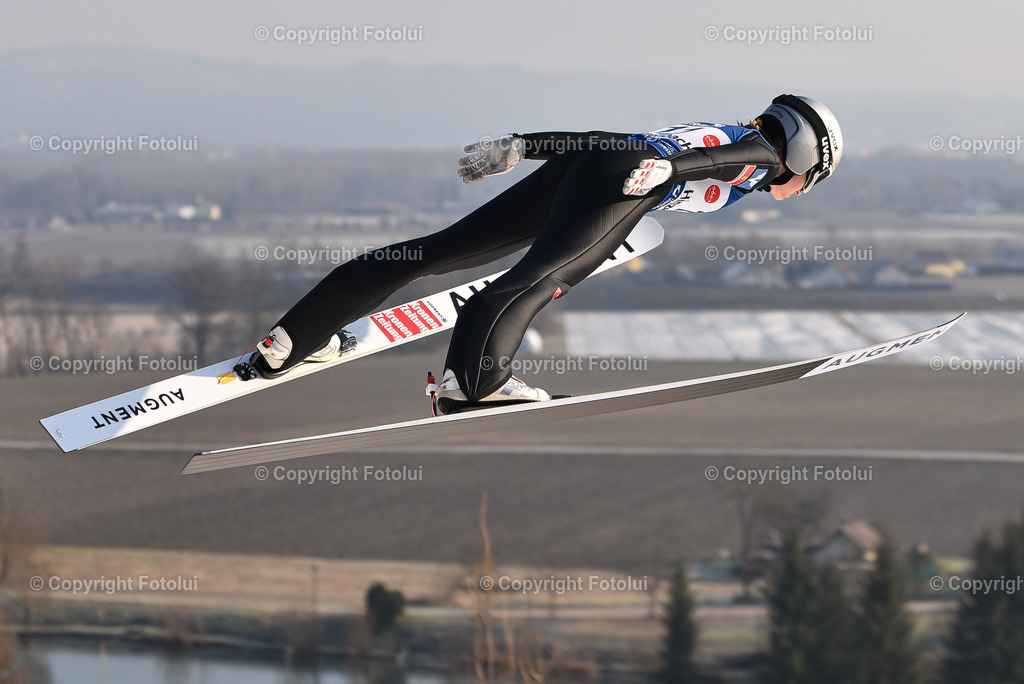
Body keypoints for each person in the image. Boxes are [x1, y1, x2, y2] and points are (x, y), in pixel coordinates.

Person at [243, 94, 843, 414]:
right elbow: (729, 164)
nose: (795, 191)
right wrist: (670, 170)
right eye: (808, 180)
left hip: (599, 164)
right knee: (543, 277)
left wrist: (524, 146)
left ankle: (293, 339)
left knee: (435, 253)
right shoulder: (758, 155)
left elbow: (611, 142)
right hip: (631, 177)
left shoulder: (727, 130)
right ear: (802, 157)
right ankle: (474, 382)